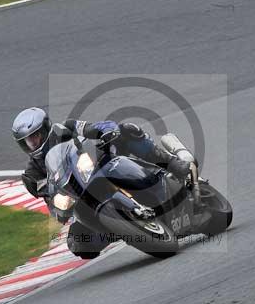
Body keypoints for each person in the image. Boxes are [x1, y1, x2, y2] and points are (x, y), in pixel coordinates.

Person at [11, 107, 192, 257]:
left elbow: (93, 128)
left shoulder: (67, 127)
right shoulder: (31, 174)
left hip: (99, 168)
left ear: (46, 128)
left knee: (127, 130)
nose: (32, 143)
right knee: (79, 244)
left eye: (35, 136)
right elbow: (49, 198)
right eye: (27, 141)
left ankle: (172, 163)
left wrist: (106, 131)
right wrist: (59, 207)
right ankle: (123, 228)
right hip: (81, 200)